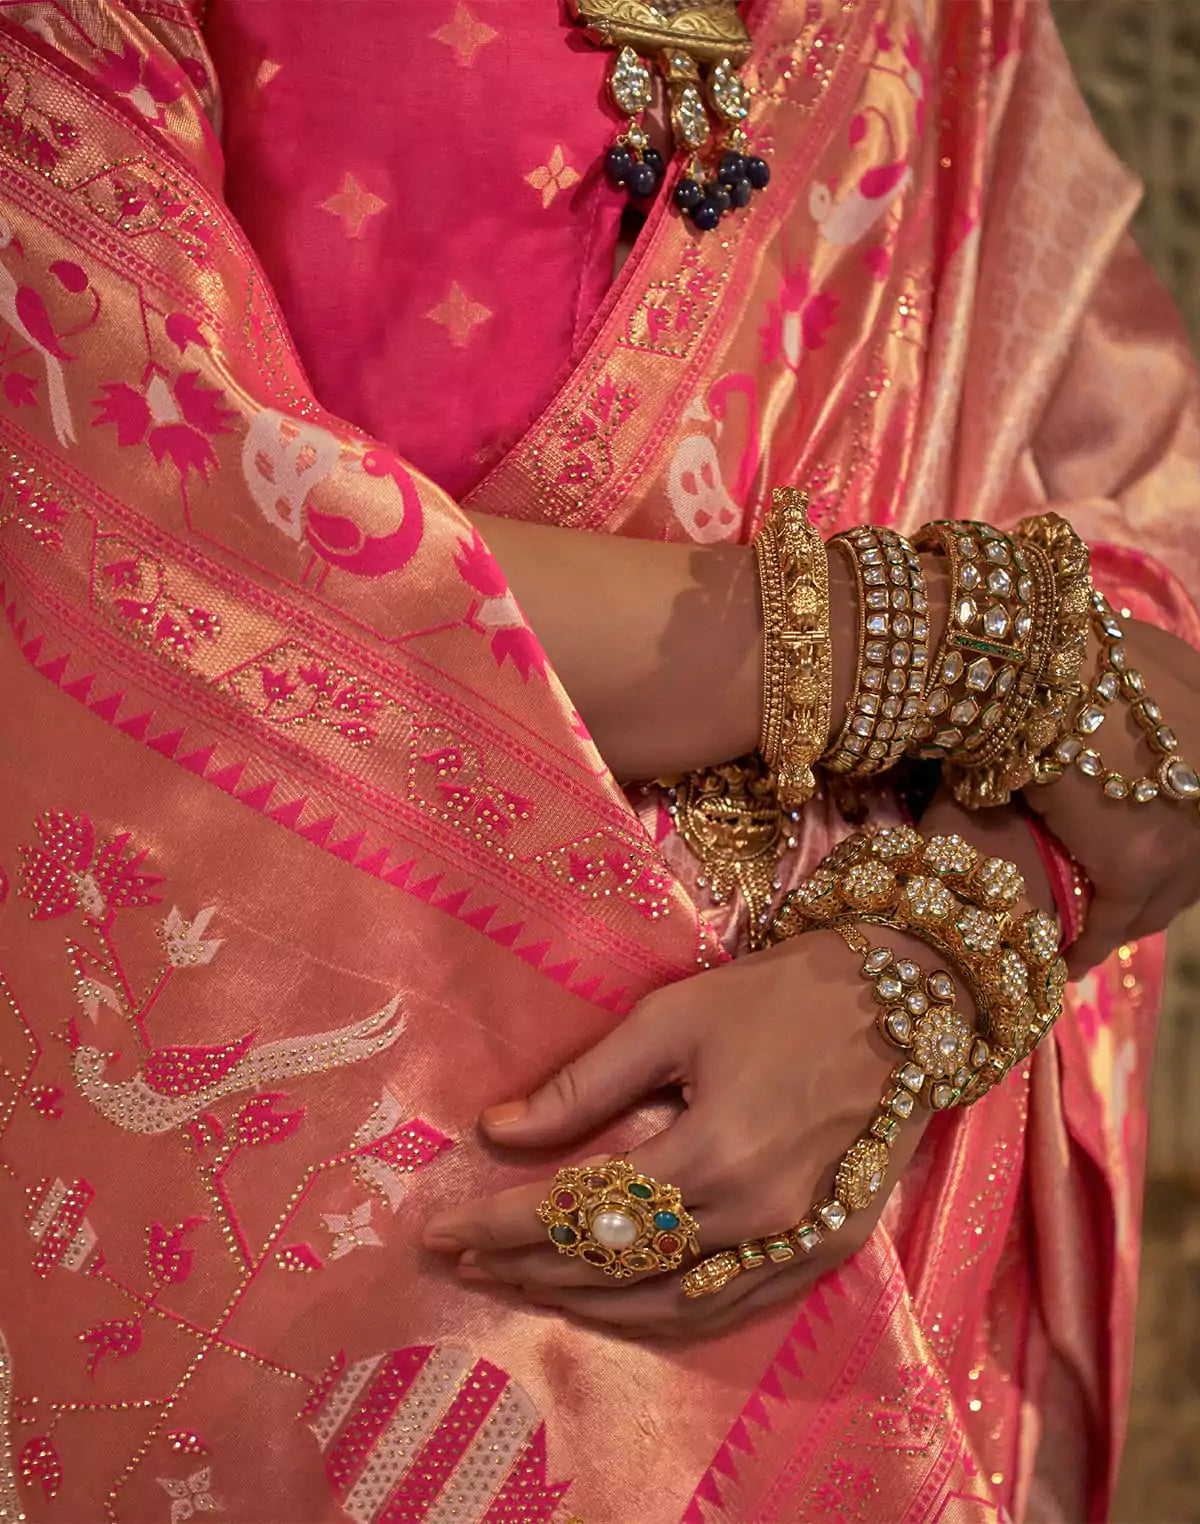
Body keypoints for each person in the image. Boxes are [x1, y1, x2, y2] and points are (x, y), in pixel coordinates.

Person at [0, 2, 1197, 1520]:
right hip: (358, 1183)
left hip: (877, 1198)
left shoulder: (950, 24)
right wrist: (956, 637)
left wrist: (915, 969)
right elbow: (119, 504)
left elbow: (1151, 580)